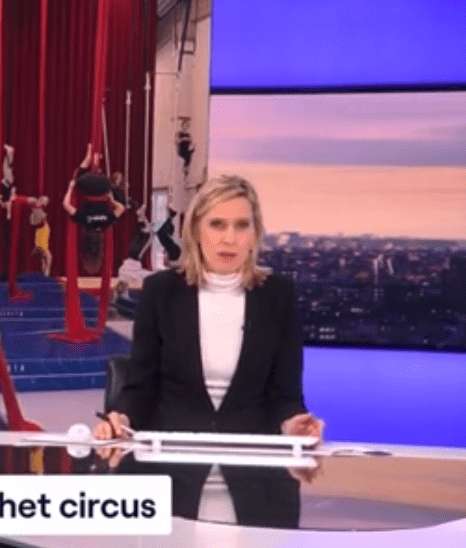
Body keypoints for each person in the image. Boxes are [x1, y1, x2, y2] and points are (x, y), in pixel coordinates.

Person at [96, 175, 324, 439]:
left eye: (242, 226)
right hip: (174, 453)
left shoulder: (278, 295)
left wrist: (293, 424)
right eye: (217, 225)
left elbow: (285, 396)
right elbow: (141, 388)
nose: (230, 239)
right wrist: (121, 418)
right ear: (196, 230)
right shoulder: (161, 291)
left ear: (255, 234)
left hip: (251, 456)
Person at [63, 147, 126, 274]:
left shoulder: (105, 223)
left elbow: (121, 208)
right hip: (86, 184)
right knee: (77, 176)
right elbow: (66, 204)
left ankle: (93, 160)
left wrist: (111, 200)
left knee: (83, 178)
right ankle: (90, 159)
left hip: (104, 184)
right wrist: (70, 187)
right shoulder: (84, 221)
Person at [28, 196, 52, 276]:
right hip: (38, 229)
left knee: (45, 250)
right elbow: (29, 201)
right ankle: (44, 269)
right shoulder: (35, 204)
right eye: (41, 199)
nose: (41, 200)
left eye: (43, 200)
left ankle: (47, 270)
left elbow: (39, 219)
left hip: (43, 229)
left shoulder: (40, 208)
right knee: (39, 251)